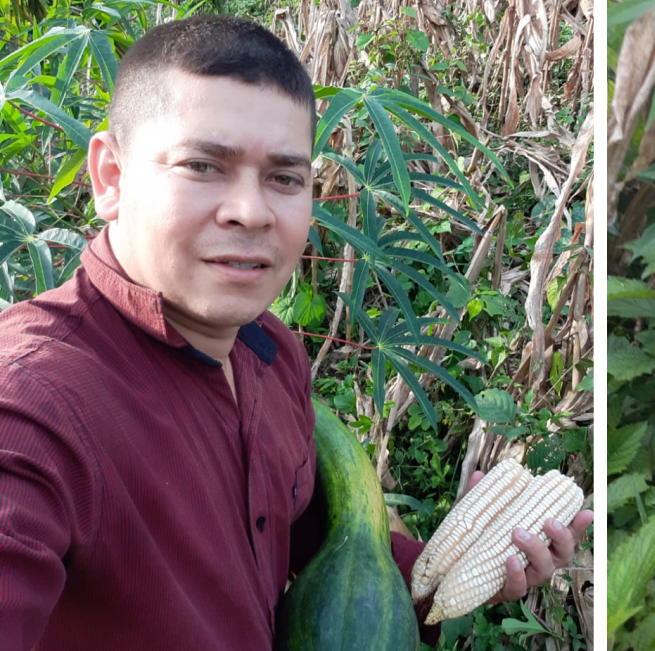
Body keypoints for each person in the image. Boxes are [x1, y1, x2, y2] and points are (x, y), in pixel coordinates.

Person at [0, 14, 593, 650]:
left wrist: (447, 569)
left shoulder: (269, 350)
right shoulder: (32, 403)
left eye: (284, 178)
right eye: (203, 165)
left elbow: (317, 542)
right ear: (110, 178)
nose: (251, 212)